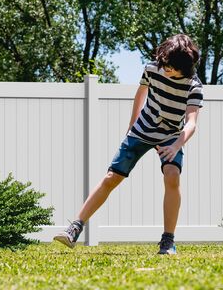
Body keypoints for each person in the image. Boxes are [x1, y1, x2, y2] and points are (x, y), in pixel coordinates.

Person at [54, 34, 203, 255]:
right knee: (111, 177)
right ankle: (74, 228)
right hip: (143, 128)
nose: (166, 70)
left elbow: (191, 123)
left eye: (171, 67)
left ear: (185, 65)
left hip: (171, 135)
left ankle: (168, 241)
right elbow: (140, 94)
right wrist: (131, 127)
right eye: (164, 65)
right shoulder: (152, 69)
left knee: (172, 175)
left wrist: (175, 146)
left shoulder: (194, 86)